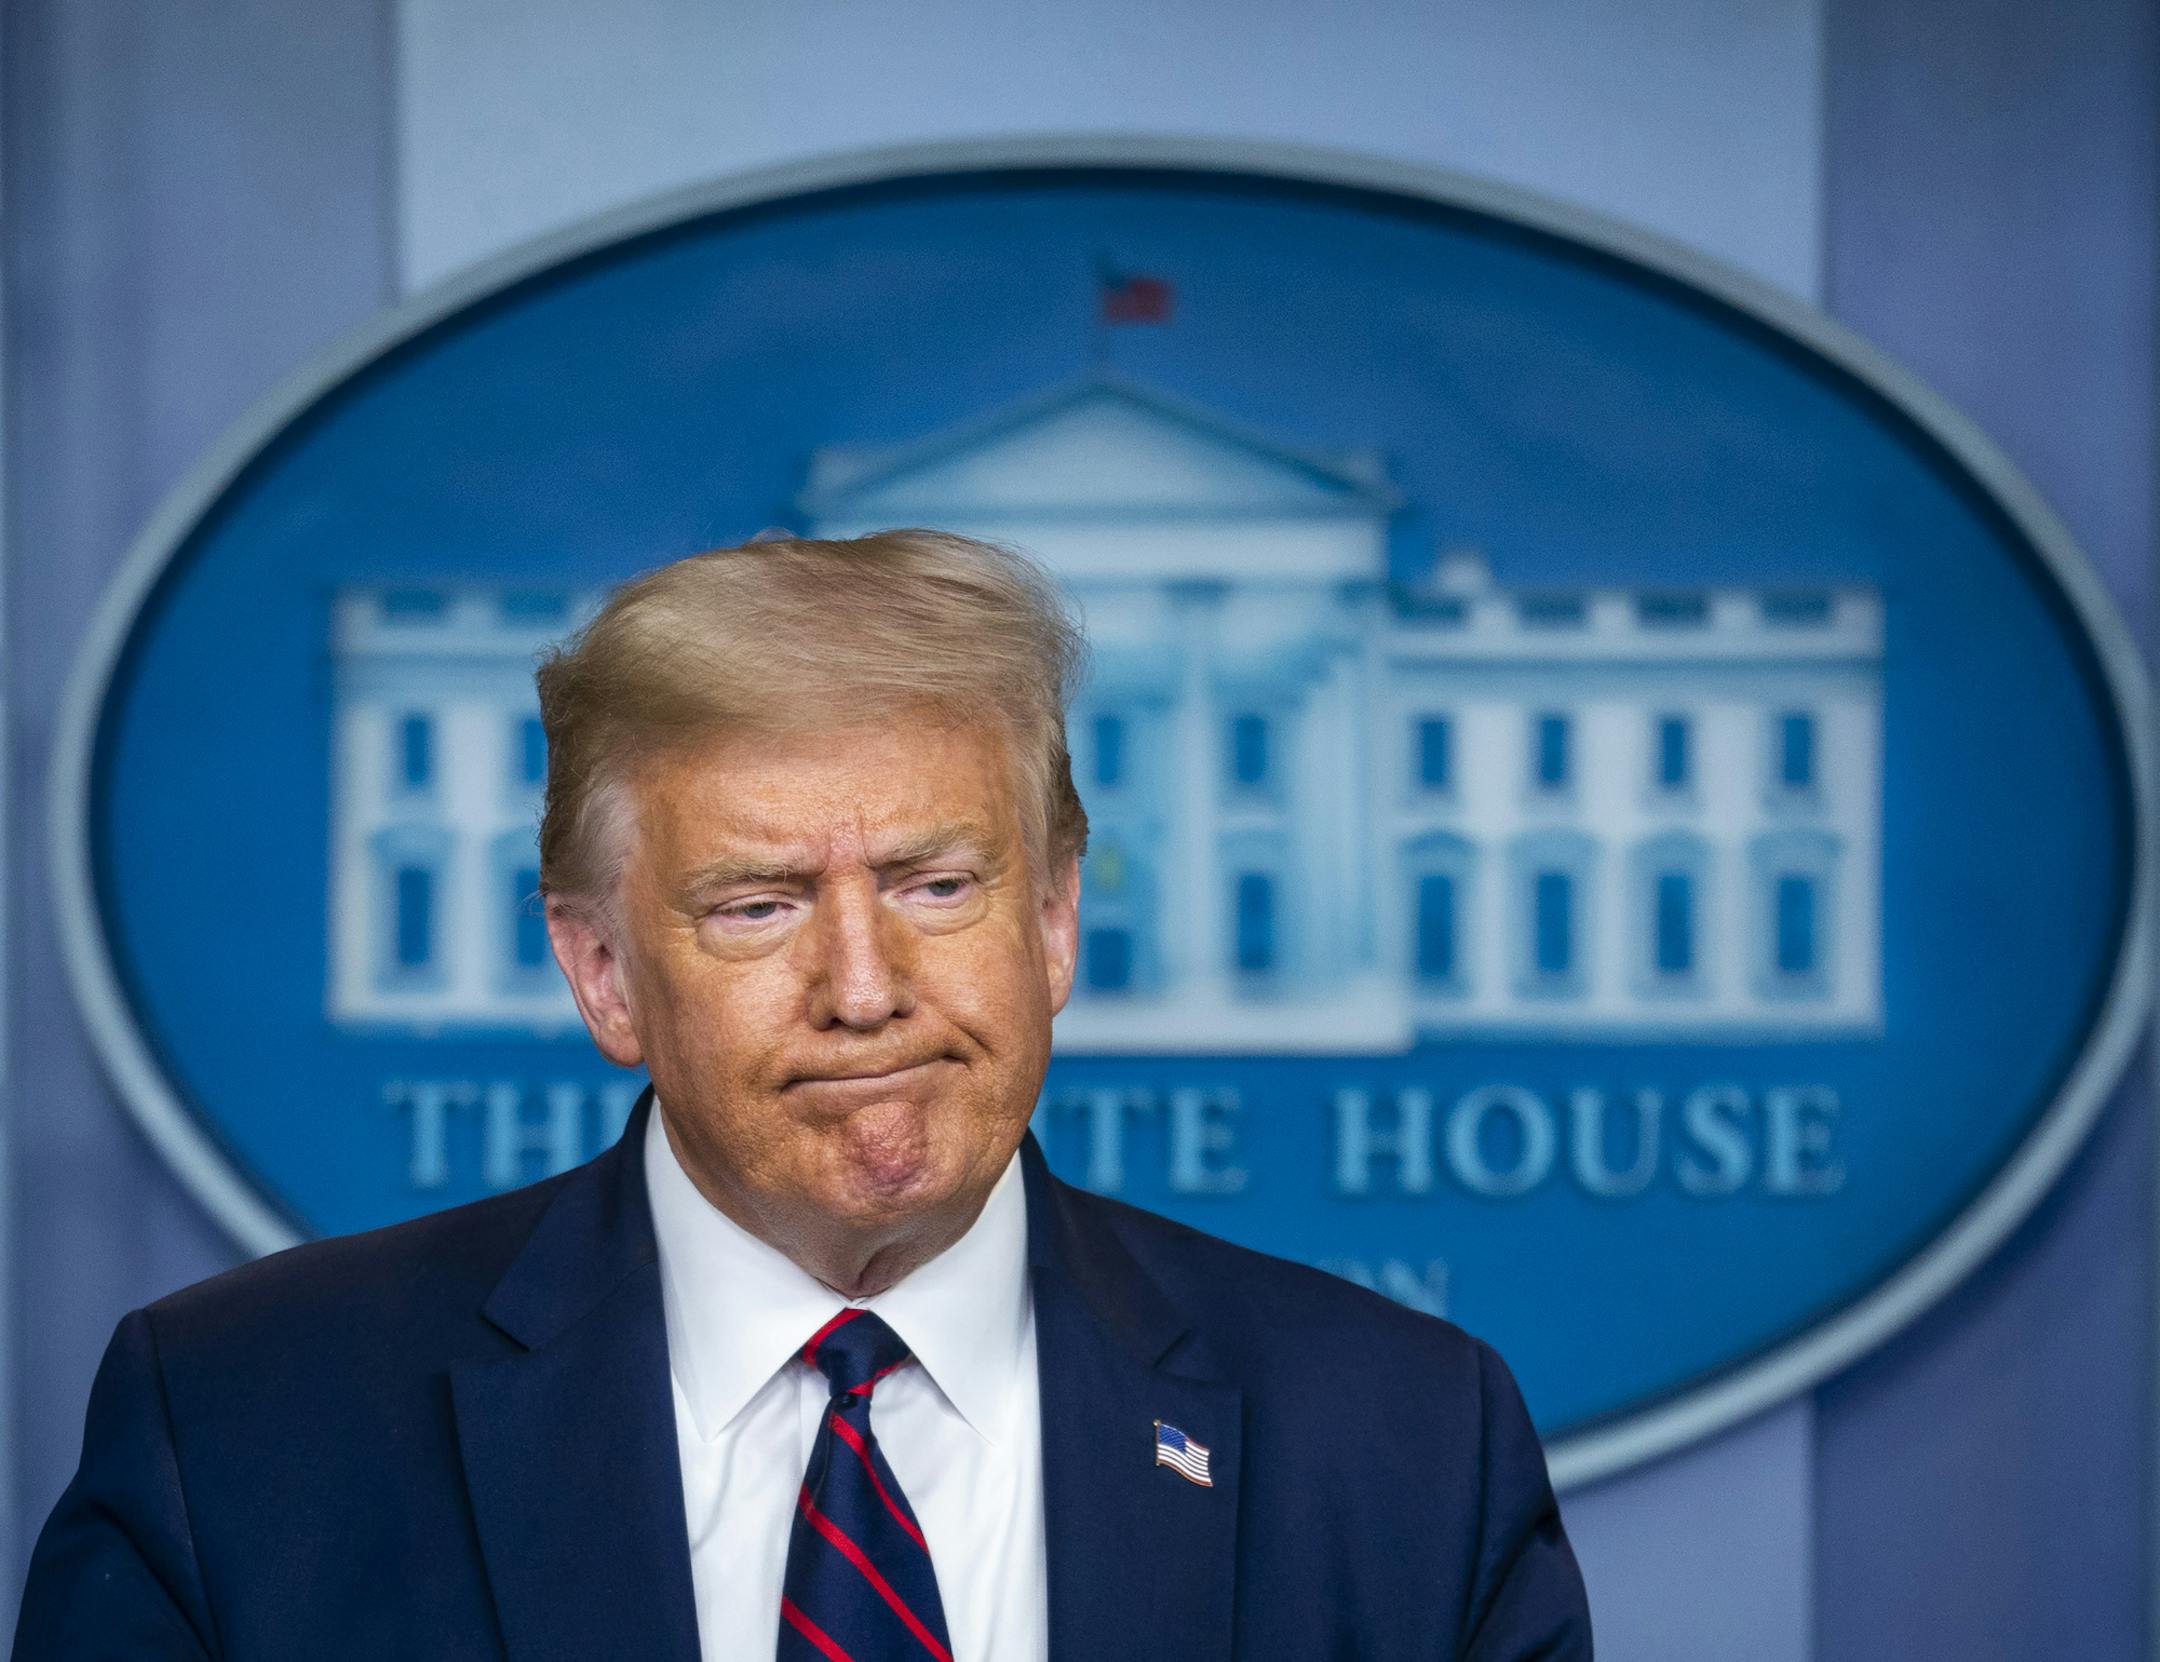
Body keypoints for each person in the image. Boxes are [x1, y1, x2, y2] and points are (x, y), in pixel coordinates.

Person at [14, 530, 1592, 1660]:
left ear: (1054, 922)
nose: (863, 983)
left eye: (939, 881)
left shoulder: (1402, 1445)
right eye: (760, 902)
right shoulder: (242, 1433)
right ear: (604, 973)